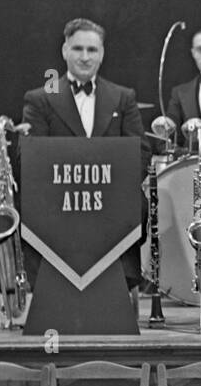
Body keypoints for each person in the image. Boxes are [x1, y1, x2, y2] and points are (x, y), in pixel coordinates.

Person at [21, 17, 149, 300]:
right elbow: (31, 158)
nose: (84, 56)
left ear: (102, 53)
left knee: (137, 202)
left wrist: (111, 185)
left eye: (92, 50)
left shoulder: (123, 97)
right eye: (78, 49)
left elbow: (140, 150)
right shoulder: (39, 99)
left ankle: (123, 288)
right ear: (65, 51)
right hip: (60, 201)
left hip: (113, 201)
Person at [150, 27, 201, 142]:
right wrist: (164, 124)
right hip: (193, 158)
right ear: (193, 53)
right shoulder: (180, 92)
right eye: (200, 49)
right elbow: (170, 130)